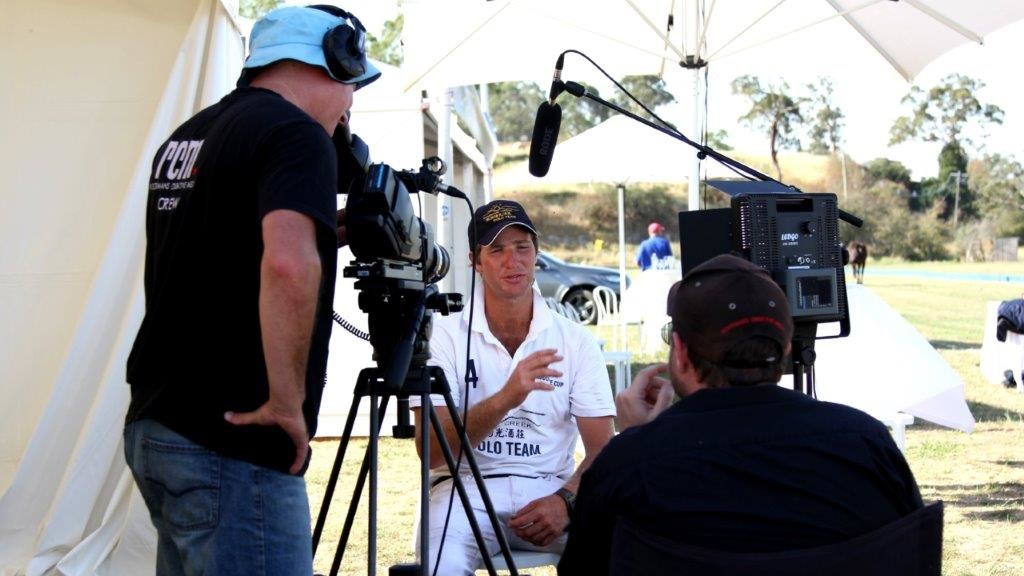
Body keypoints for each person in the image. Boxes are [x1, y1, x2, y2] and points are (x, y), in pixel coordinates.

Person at [122, 6, 380, 575]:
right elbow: (288, 264)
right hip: (234, 441)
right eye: (351, 84)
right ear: (333, 60)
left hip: (157, 424)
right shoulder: (297, 135)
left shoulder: (189, 135)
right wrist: (287, 404)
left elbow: (223, 247)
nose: (350, 104)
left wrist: (329, 227)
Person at [558, 254, 924, 576]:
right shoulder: (867, 444)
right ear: (784, 349)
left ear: (681, 353)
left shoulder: (627, 466)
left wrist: (639, 442)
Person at [410, 199, 616, 575]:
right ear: (474, 260)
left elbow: (603, 448)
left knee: (624, 548)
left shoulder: (575, 340)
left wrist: (566, 500)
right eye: (497, 250)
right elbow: (434, 453)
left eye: (523, 247)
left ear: (536, 254)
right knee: (442, 565)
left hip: (550, 487)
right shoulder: (443, 336)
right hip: (464, 489)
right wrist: (507, 397)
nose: (513, 261)